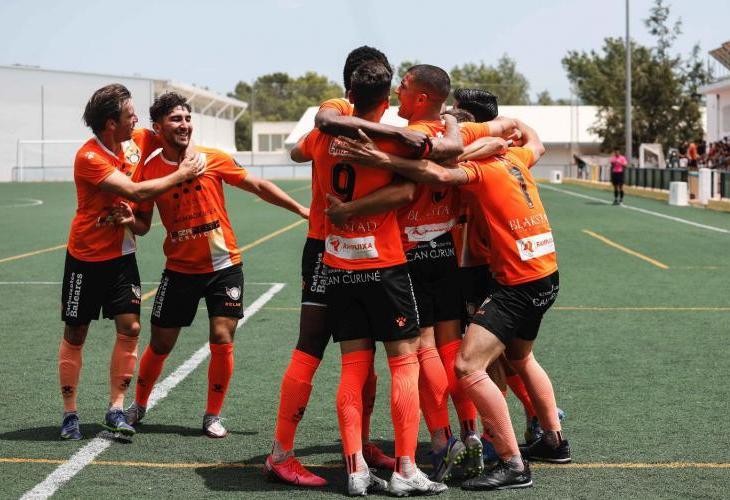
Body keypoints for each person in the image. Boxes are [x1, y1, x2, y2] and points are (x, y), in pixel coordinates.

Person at [333, 114, 570, 491]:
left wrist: (380, 161)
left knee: (460, 362)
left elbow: (436, 175)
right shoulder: (515, 157)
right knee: (519, 358)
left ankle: (493, 455)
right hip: (543, 274)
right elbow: (534, 142)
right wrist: (507, 133)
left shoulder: (479, 169)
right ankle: (549, 440)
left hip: (504, 279)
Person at [292, 61, 447, 497]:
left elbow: (300, 151)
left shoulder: (323, 137)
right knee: (404, 363)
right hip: (384, 265)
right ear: (385, 99)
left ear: (349, 95)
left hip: (338, 265)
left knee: (352, 367)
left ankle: (356, 469)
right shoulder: (390, 139)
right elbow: (405, 191)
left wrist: (341, 211)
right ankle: (405, 469)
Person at [121, 92, 308, 438]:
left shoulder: (214, 158)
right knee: (161, 343)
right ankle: (139, 405)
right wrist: (129, 219)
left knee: (222, 338)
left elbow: (258, 185)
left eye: (187, 119)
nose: (184, 125)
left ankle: (212, 415)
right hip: (179, 270)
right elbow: (144, 225)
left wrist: (301, 210)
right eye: (176, 119)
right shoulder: (149, 170)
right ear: (158, 127)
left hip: (224, 267)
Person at [265, 45, 410, 488]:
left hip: (325, 244)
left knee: (358, 352)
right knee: (314, 346)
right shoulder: (374, 129)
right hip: (340, 247)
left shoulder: (329, 126)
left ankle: (360, 446)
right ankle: (281, 454)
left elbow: (298, 152)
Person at [58, 84, 205, 440]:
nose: (136, 119)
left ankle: (116, 409)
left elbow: (177, 137)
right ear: (111, 123)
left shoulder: (138, 139)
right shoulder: (89, 157)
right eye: (129, 115)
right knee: (76, 332)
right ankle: (70, 413)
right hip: (85, 258)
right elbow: (136, 191)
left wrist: (190, 153)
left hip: (122, 257)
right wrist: (183, 173)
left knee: (131, 328)